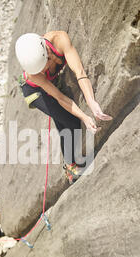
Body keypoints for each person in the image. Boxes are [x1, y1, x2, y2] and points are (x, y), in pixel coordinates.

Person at [15, 31, 113, 184]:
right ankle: (70, 166)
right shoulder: (34, 74)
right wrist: (85, 117)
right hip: (34, 90)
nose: (41, 72)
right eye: (38, 70)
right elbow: (60, 98)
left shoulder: (60, 40)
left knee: (65, 122)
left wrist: (91, 102)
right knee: (70, 121)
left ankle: (70, 164)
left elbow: (79, 72)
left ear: (47, 52)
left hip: (51, 84)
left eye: (42, 67)